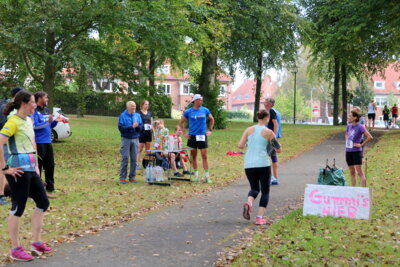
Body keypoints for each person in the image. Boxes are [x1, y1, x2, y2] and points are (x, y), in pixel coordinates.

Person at [0, 90, 51, 261]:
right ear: (24, 104)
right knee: (18, 208)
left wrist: (36, 165)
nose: (35, 105)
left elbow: (33, 142)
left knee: (43, 203)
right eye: (32, 102)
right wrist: (5, 168)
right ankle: (15, 249)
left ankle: (36, 243)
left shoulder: (29, 120)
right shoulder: (13, 122)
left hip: (31, 168)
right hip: (18, 170)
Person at [238, 109, 282, 225]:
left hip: (248, 164)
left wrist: (250, 143)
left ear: (258, 118)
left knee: (254, 188)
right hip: (263, 163)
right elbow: (278, 149)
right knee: (265, 191)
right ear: (267, 119)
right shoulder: (269, 132)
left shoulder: (248, 130)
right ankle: (259, 217)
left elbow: (240, 146)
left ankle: (249, 202)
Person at [179, 94, 214, 183]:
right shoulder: (188, 111)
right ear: (194, 101)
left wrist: (210, 130)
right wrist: (184, 133)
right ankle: (196, 176)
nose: (201, 101)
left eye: (201, 100)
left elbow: (211, 119)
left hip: (202, 135)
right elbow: (181, 122)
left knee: (204, 156)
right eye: (199, 100)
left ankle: (207, 177)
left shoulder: (205, 110)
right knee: (194, 156)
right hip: (192, 136)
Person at [32, 91, 63, 195]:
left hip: (48, 142)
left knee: (50, 165)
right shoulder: (34, 111)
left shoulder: (46, 110)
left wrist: (55, 122)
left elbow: (49, 126)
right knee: (38, 166)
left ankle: (50, 187)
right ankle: (37, 189)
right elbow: (35, 126)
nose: (47, 99)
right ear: (39, 98)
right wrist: (47, 122)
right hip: (39, 142)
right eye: (46, 98)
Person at [0, 87, 24, 205]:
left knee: (14, 167)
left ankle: (15, 192)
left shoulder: (16, 108)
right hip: (4, 142)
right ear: (17, 95)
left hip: (15, 144)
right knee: (3, 168)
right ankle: (1, 196)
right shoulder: (5, 108)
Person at [346, 108, 373, 187]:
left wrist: (361, 145)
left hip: (357, 151)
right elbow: (346, 134)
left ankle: (363, 193)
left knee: (359, 172)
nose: (348, 117)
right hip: (348, 151)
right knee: (352, 172)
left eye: (350, 116)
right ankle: (353, 190)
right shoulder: (349, 126)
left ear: (355, 118)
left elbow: (370, 137)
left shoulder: (360, 127)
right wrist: (347, 141)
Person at [118, 101, 142, 184]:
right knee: (125, 158)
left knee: (134, 158)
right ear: (128, 107)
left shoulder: (137, 115)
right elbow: (121, 128)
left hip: (135, 139)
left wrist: (138, 126)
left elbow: (141, 127)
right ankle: (122, 177)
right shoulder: (122, 116)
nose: (134, 108)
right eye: (132, 106)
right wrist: (131, 127)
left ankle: (132, 177)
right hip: (126, 139)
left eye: (135, 106)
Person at [264, 98, 280, 185]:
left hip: (272, 138)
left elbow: (275, 124)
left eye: (266, 102)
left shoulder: (272, 111)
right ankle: (275, 178)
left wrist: (273, 137)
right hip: (275, 137)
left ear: (270, 104)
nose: (264, 103)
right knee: (273, 157)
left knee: (264, 157)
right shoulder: (275, 111)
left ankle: (269, 178)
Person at [137, 100, 153, 169]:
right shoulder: (138, 113)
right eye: (146, 104)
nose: (147, 106)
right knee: (139, 149)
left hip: (149, 133)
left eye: (148, 104)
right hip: (141, 133)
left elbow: (151, 124)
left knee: (148, 150)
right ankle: (136, 164)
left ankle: (147, 164)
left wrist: (154, 133)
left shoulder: (150, 113)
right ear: (142, 105)